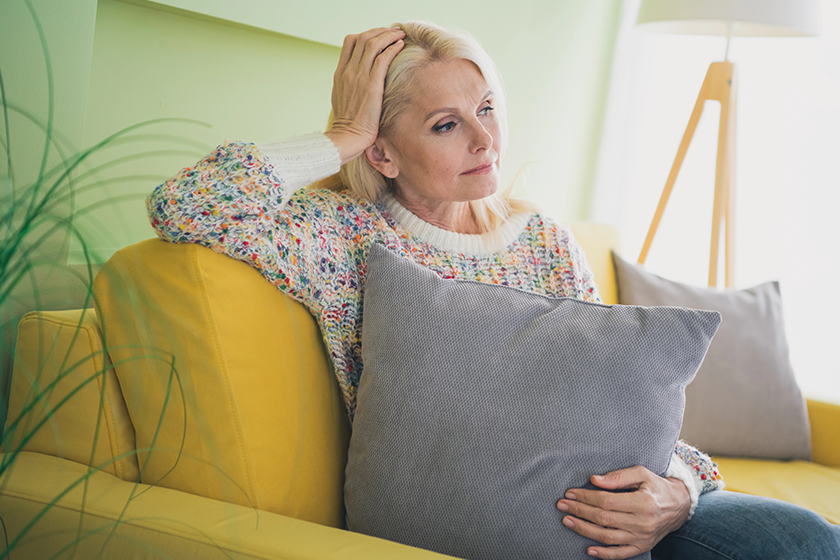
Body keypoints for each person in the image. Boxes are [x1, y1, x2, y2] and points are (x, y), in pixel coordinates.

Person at [147, 20, 840, 560]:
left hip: (608, 513)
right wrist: (341, 136)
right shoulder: (337, 239)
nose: (485, 139)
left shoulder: (543, 242)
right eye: (446, 124)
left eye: (486, 108)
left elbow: (624, 406)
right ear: (383, 154)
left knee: (806, 538)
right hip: (477, 519)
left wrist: (678, 491)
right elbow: (186, 205)